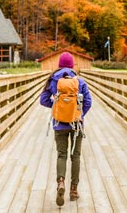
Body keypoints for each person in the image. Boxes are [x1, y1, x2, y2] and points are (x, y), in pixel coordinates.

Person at [39, 52, 93, 206]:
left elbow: (43, 100)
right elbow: (88, 101)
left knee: (61, 154)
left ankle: (60, 182)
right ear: (72, 65)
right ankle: (74, 190)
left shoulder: (53, 80)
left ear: (59, 65)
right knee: (75, 156)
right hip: (76, 124)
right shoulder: (80, 81)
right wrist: (79, 114)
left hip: (59, 124)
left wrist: (57, 108)